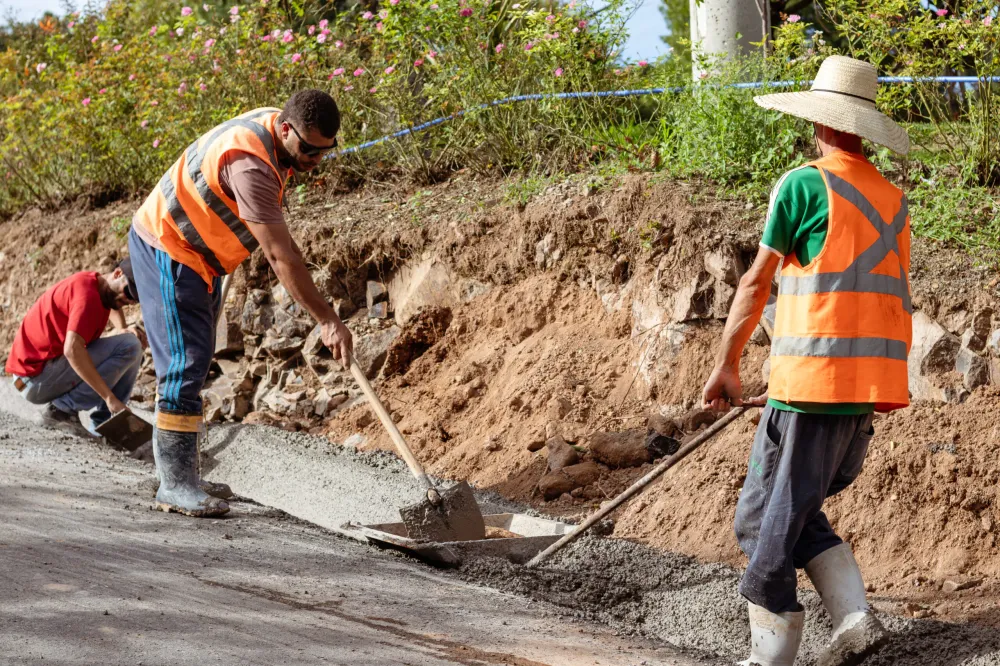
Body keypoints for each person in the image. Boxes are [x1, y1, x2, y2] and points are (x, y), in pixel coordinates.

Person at [700, 56, 911, 666]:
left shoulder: (804, 184)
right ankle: (852, 619)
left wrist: (727, 365)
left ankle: (771, 659)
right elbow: (867, 301)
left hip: (814, 387)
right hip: (856, 390)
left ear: (818, 121)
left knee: (770, 533)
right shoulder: (892, 199)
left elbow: (755, 283)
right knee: (764, 516)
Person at [128, 89, 353, 519]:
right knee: (185, 362)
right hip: (171, 248)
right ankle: (175, 485)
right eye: (307, 150)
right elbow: (280, 255)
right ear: (285, 130)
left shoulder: (275, 130)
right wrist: (327, 319)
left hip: (202, 257)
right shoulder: (251, 165)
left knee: (193, 359)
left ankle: (184, 475)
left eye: (325, 152)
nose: (314, 160)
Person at [7, 260, 145, 437]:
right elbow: (72, 350)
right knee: (129, 346)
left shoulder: (98, 286)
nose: (128, 300)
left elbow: (113, 302)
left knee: (131, 342)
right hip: (34, 380)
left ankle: (107, 424)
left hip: (35, 376)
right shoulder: (86, 296)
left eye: (134, 300)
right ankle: (61, 411)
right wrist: (109, 398)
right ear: (117, 274)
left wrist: (123, 328)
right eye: (128, 293)